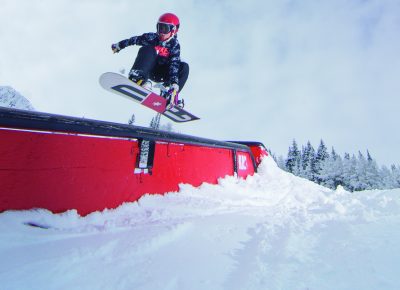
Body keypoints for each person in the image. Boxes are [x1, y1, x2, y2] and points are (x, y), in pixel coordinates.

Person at [111, 13, 188, 109]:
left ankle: (170, 93)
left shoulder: (174, 45)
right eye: (160, 28)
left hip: (163, 75)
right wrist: (119, 45)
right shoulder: (151, 38)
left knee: (184, 66)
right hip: (149, 69)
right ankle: (139, 77)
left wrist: (174, 83)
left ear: (173, 31)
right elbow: (134, 40)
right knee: (148, 49)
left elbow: (174, 64)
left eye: (165, 29)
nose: (161, 32)